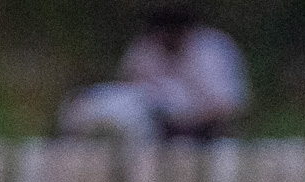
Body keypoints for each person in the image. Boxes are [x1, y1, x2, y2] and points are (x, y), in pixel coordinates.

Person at [58, 3, 249, 140]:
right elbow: (128, 89)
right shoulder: (145, 47)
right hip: (150, 133)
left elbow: (229, 107)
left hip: (202, 136)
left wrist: (184, 121)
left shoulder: (212, 49)